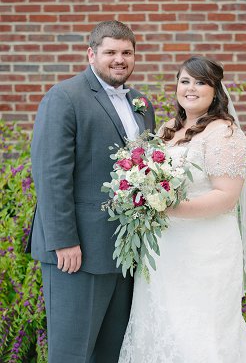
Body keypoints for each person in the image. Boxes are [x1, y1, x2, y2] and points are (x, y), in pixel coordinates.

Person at [117, 56, 246, 362]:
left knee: (200, 332)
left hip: (205, 251)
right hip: (163, 249)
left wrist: (165, 206)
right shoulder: (166, 130)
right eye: (184, 81)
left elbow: (226, 197)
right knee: (161, 323)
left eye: (200, 82)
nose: (190, 88)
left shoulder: (225, 134)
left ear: (215, 90)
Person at [28, 20, 156, 362]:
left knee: (111, 352)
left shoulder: (141, 102)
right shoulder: (65, 97)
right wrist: (63, 241)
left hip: (126, 252)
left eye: (127, 53)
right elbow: (51, 174)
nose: (120, 59)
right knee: (72, 352)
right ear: (91, 54)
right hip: (77, 252)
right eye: (111, 52)